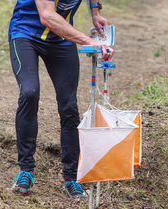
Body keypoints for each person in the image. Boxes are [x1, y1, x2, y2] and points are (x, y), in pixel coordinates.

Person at [9, 0, 114, 198]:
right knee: (29, 92)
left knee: (69, 106)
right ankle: (26, 170)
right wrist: (89, 41)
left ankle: (71, 178)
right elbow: (47, 16)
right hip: (26, 33)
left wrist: (95, 11)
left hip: (60, 39)